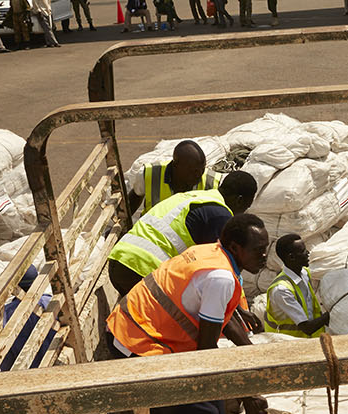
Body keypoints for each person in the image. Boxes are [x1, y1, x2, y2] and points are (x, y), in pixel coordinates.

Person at [106, 213, 271, 414]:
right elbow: (205, 357)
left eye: (266, 248)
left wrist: (257, 360)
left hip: (149, 334)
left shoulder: (217, 255)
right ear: (236, 247)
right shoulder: (221, 277)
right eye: (258, 250)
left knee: (216, 407)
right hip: (136, 342)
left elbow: (227, 319)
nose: (264, 256)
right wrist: (247, 389)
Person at [107, 170, 258, 296]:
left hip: (118, 261)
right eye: (246, 206)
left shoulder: (195, 197)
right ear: (239, 201)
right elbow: (220, 272)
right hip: (143, 268)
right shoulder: (221, 215)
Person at [264, 233, 329, 337]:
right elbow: (307, 328)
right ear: (292, 257)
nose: (308, 253)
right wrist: (333, 312)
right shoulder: (281, 290)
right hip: (288, 343)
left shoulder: (305, 273)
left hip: (309, 339)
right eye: (303, 251)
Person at [130, 139, 217, 213]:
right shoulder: (149, 175)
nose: (199, 175)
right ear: (175, 166)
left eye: (202, 169)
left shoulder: (212, 183)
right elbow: (132, 201)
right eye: (193, 171)